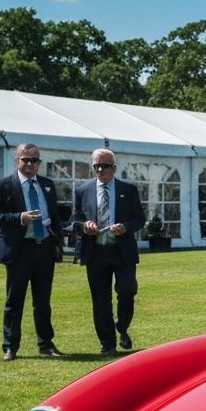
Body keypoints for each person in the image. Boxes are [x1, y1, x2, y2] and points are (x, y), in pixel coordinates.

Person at [0, 142, 64, 361]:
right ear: (16, 160)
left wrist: (58, 234)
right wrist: (19, 218)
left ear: (39, 162)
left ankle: (46, 343)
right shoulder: (4, 185)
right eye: (25, 159)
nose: (30, 164)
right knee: (14, 300)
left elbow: (54, 215)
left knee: (43, 301)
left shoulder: (47, 184)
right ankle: (10, 346)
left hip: (44, 248)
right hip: (19, 251)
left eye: (34, 160)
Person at [72, 148, 146, 355]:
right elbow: (75, 219)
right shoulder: (82, 190)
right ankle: (107, 343)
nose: (100, 170)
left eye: (104, 166)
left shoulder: (128, 189)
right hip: (95, 251)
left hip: (122, 251)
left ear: (114, 167)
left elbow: (140, 218)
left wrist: (125, 227)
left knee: (127, 290)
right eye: (96, 166)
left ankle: (121, 326)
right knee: (100, 299)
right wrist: (84, 225)